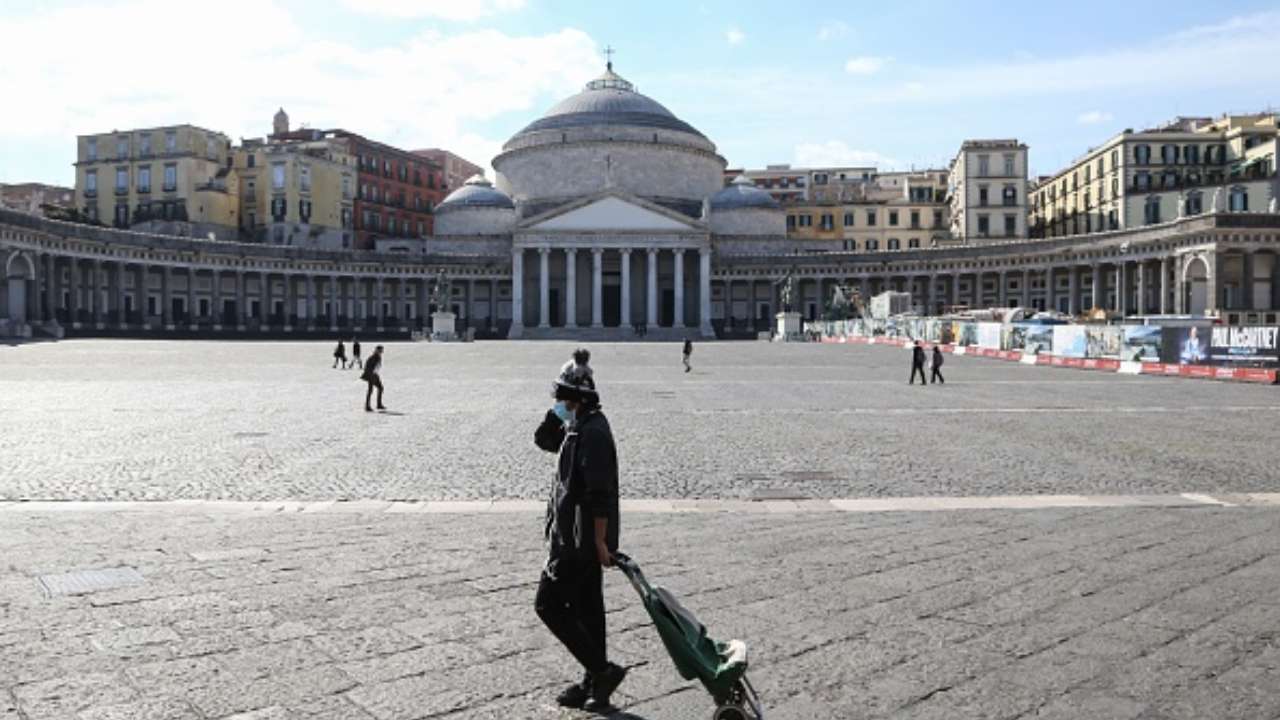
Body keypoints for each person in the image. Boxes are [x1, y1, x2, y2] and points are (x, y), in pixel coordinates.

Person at [533, 361, 626, 712]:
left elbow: (599, 493)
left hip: (579, 542)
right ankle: (594, 682)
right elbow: (543, 440)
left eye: (561, 395)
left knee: (548, 605)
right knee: (589, 610)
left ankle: (602, 671)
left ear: (576, 398)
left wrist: (602, 542)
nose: (557, 398)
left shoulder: (594, 432)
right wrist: (555, 414)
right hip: (572, 536)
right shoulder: (577, 426)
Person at [361, 345, 385, 412]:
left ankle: (378, 404)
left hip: (374, 375)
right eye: (381, 350)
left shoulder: (377, 356)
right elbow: (367, 367)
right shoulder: (373, 357)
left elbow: (377, 367)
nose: (382, 351)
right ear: (377, 350)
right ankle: (367, 406)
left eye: (382, 350)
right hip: (371, 375)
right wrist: (370, 375)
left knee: (380, 388)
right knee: (370, 390)